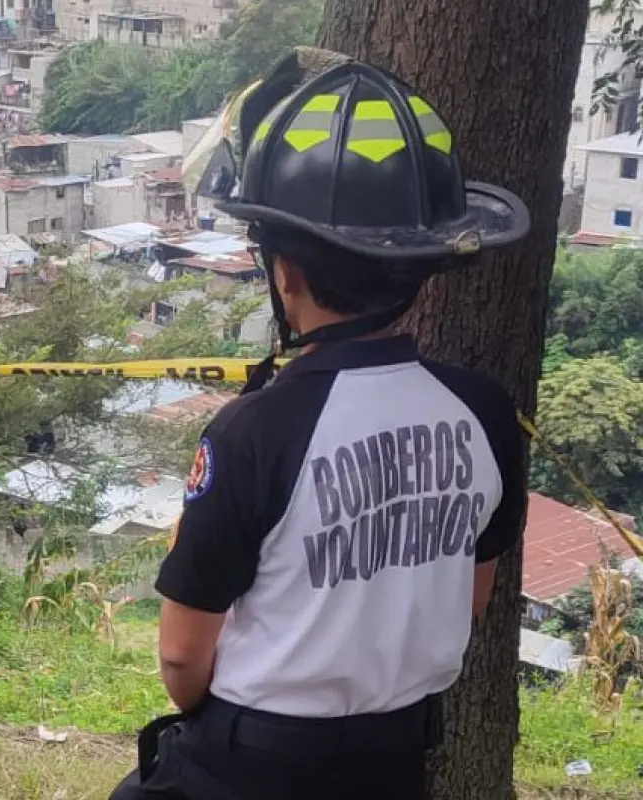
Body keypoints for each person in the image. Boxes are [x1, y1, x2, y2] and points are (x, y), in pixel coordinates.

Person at [110, 47, 532, 800]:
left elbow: (181, 660)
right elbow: (468, 597)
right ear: (421, 267)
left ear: (286, 272)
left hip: (253, 761)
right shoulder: (484, 412)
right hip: (397, 759)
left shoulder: (254, 432)